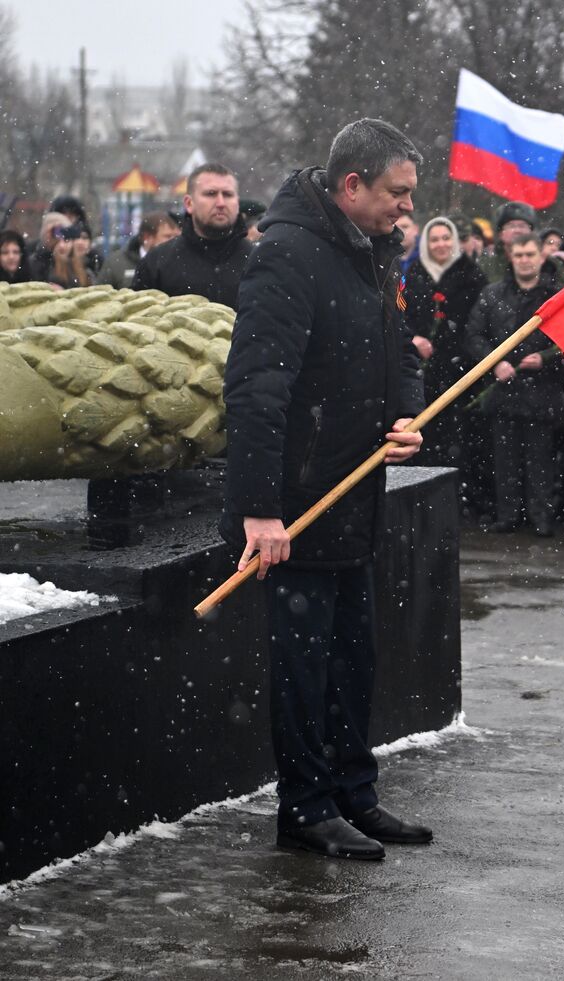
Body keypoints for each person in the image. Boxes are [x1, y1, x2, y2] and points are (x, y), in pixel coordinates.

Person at [220, 117, 430, 861]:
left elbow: (398, 350)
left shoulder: (373, 251)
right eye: (395, 194)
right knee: (303, 669)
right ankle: (305, 807)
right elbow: (255, 388)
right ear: (351, 185)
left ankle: (353, 791)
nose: (406, 209)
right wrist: (261, 508)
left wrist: (406, 410)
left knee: (352, 659)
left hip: (354, 494)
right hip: (298, 506)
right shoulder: (287, 253)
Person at [465, 232, 564, 535]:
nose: (524, 261)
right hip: (503, 391)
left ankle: (542, 518)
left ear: (541, 256)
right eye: (519, 255)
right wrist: (495, 362)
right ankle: (508, 516)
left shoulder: (556, 296)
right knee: (504, 459)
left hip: (542, 391)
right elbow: (473, 335)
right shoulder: (493, 294)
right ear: (511, 257)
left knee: (540, 459)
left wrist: (545, 358)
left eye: (530, 255)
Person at [402, 215, 489, 513]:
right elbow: (401, 315)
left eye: (445, 238)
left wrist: (452, 346)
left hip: (458, 370)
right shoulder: (413, 273)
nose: (440, 244)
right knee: (424, 434)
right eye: (434, 239)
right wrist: (413, 338)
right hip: (420, 370)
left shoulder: (472, 275)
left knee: (458, 435)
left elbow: (477, 322)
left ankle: (456, 500)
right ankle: (423, 498)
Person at [134, 163, 254, 309]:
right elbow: (138, 322)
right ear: (189, 203)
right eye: (211, 194)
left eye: (228, 194)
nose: (221, 203)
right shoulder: (157, 262)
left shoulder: (259, 260)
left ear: (237, 202)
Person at [99, 212, 179, 288]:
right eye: (168, 236)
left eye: (176, 236)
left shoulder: (180, 261)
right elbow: (100, 296)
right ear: (147, 237)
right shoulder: (115, 263)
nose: (174, 240)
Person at [45, 224, 92, 288]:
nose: (61, 245)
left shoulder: (84, 266)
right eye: (57, 241)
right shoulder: (46, 265)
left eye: (66, 241)